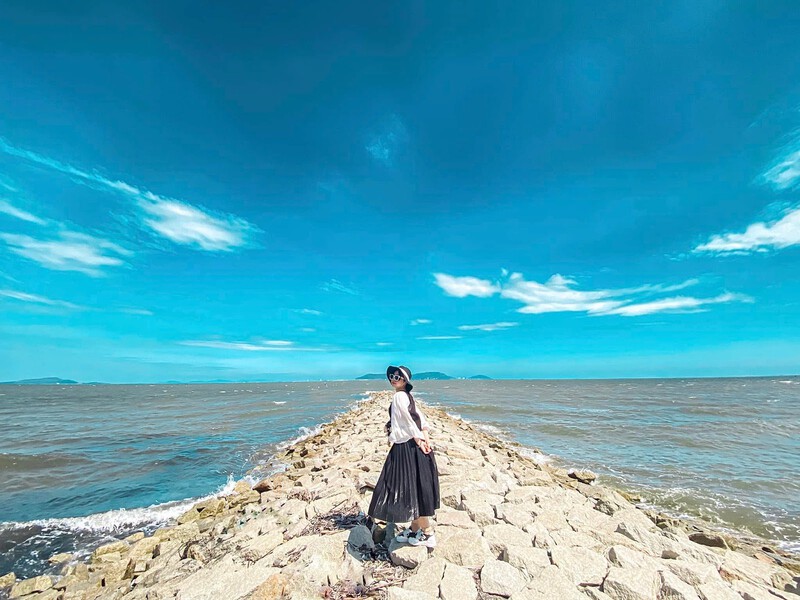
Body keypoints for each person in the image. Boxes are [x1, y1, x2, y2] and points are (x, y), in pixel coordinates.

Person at [367, 365, 440, 548]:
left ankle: (428, 533)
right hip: (411, 445)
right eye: (391, 376)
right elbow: (421, 420)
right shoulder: (408, 396)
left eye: (398, 377)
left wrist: (419, 441)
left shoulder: (399, 396)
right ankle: (415, 529)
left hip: (406, 448)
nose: (393, 378)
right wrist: (426, 440)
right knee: (415, 490)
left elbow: (409, 422)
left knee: (410, 490)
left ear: (405, 380)